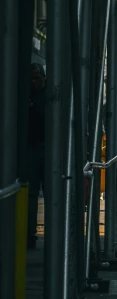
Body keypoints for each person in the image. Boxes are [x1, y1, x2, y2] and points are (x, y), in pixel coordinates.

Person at [27, 63, 46, 248]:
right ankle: (29, 234)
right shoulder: (26, 95)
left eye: (37, 78)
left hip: (46, 149)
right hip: (32, 148)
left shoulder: (49, 96)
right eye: (31, 78)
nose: (34, 82)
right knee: (31, 194)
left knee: (50, 193)